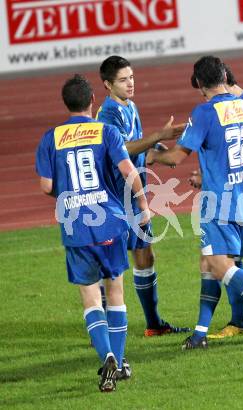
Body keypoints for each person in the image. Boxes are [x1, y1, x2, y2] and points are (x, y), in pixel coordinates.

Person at [147, 55, 243, 349]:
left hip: (218, 202)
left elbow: (177, 157)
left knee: (222, 267)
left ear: (199, 84)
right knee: (208, 264)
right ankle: (200, 334)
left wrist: (153, 155)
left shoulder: (204, 113)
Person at [35, 74, 149, 392]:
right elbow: (129, 173)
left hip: (76, 227)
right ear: (91, 102)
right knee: (115, 293)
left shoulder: (50, 138)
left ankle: (107, 356)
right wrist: (142, 205)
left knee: (90, 298)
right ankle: (121, 360)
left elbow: (45, 186)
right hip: (110, 221)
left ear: (66, 103)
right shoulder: (106, 131)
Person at [96, 56, 191, 337]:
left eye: (132, 77)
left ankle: (153, 324)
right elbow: (123, 148)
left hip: (135, 196)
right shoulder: (108, 113)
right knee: (111, 266)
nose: (131, 83)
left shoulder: (131, 106)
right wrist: (156, 136)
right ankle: (102, 330)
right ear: (107, 84)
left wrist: (162, 150)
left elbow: (141, 147)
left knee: (145, 257)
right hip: (114, 200)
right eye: (123, 80)